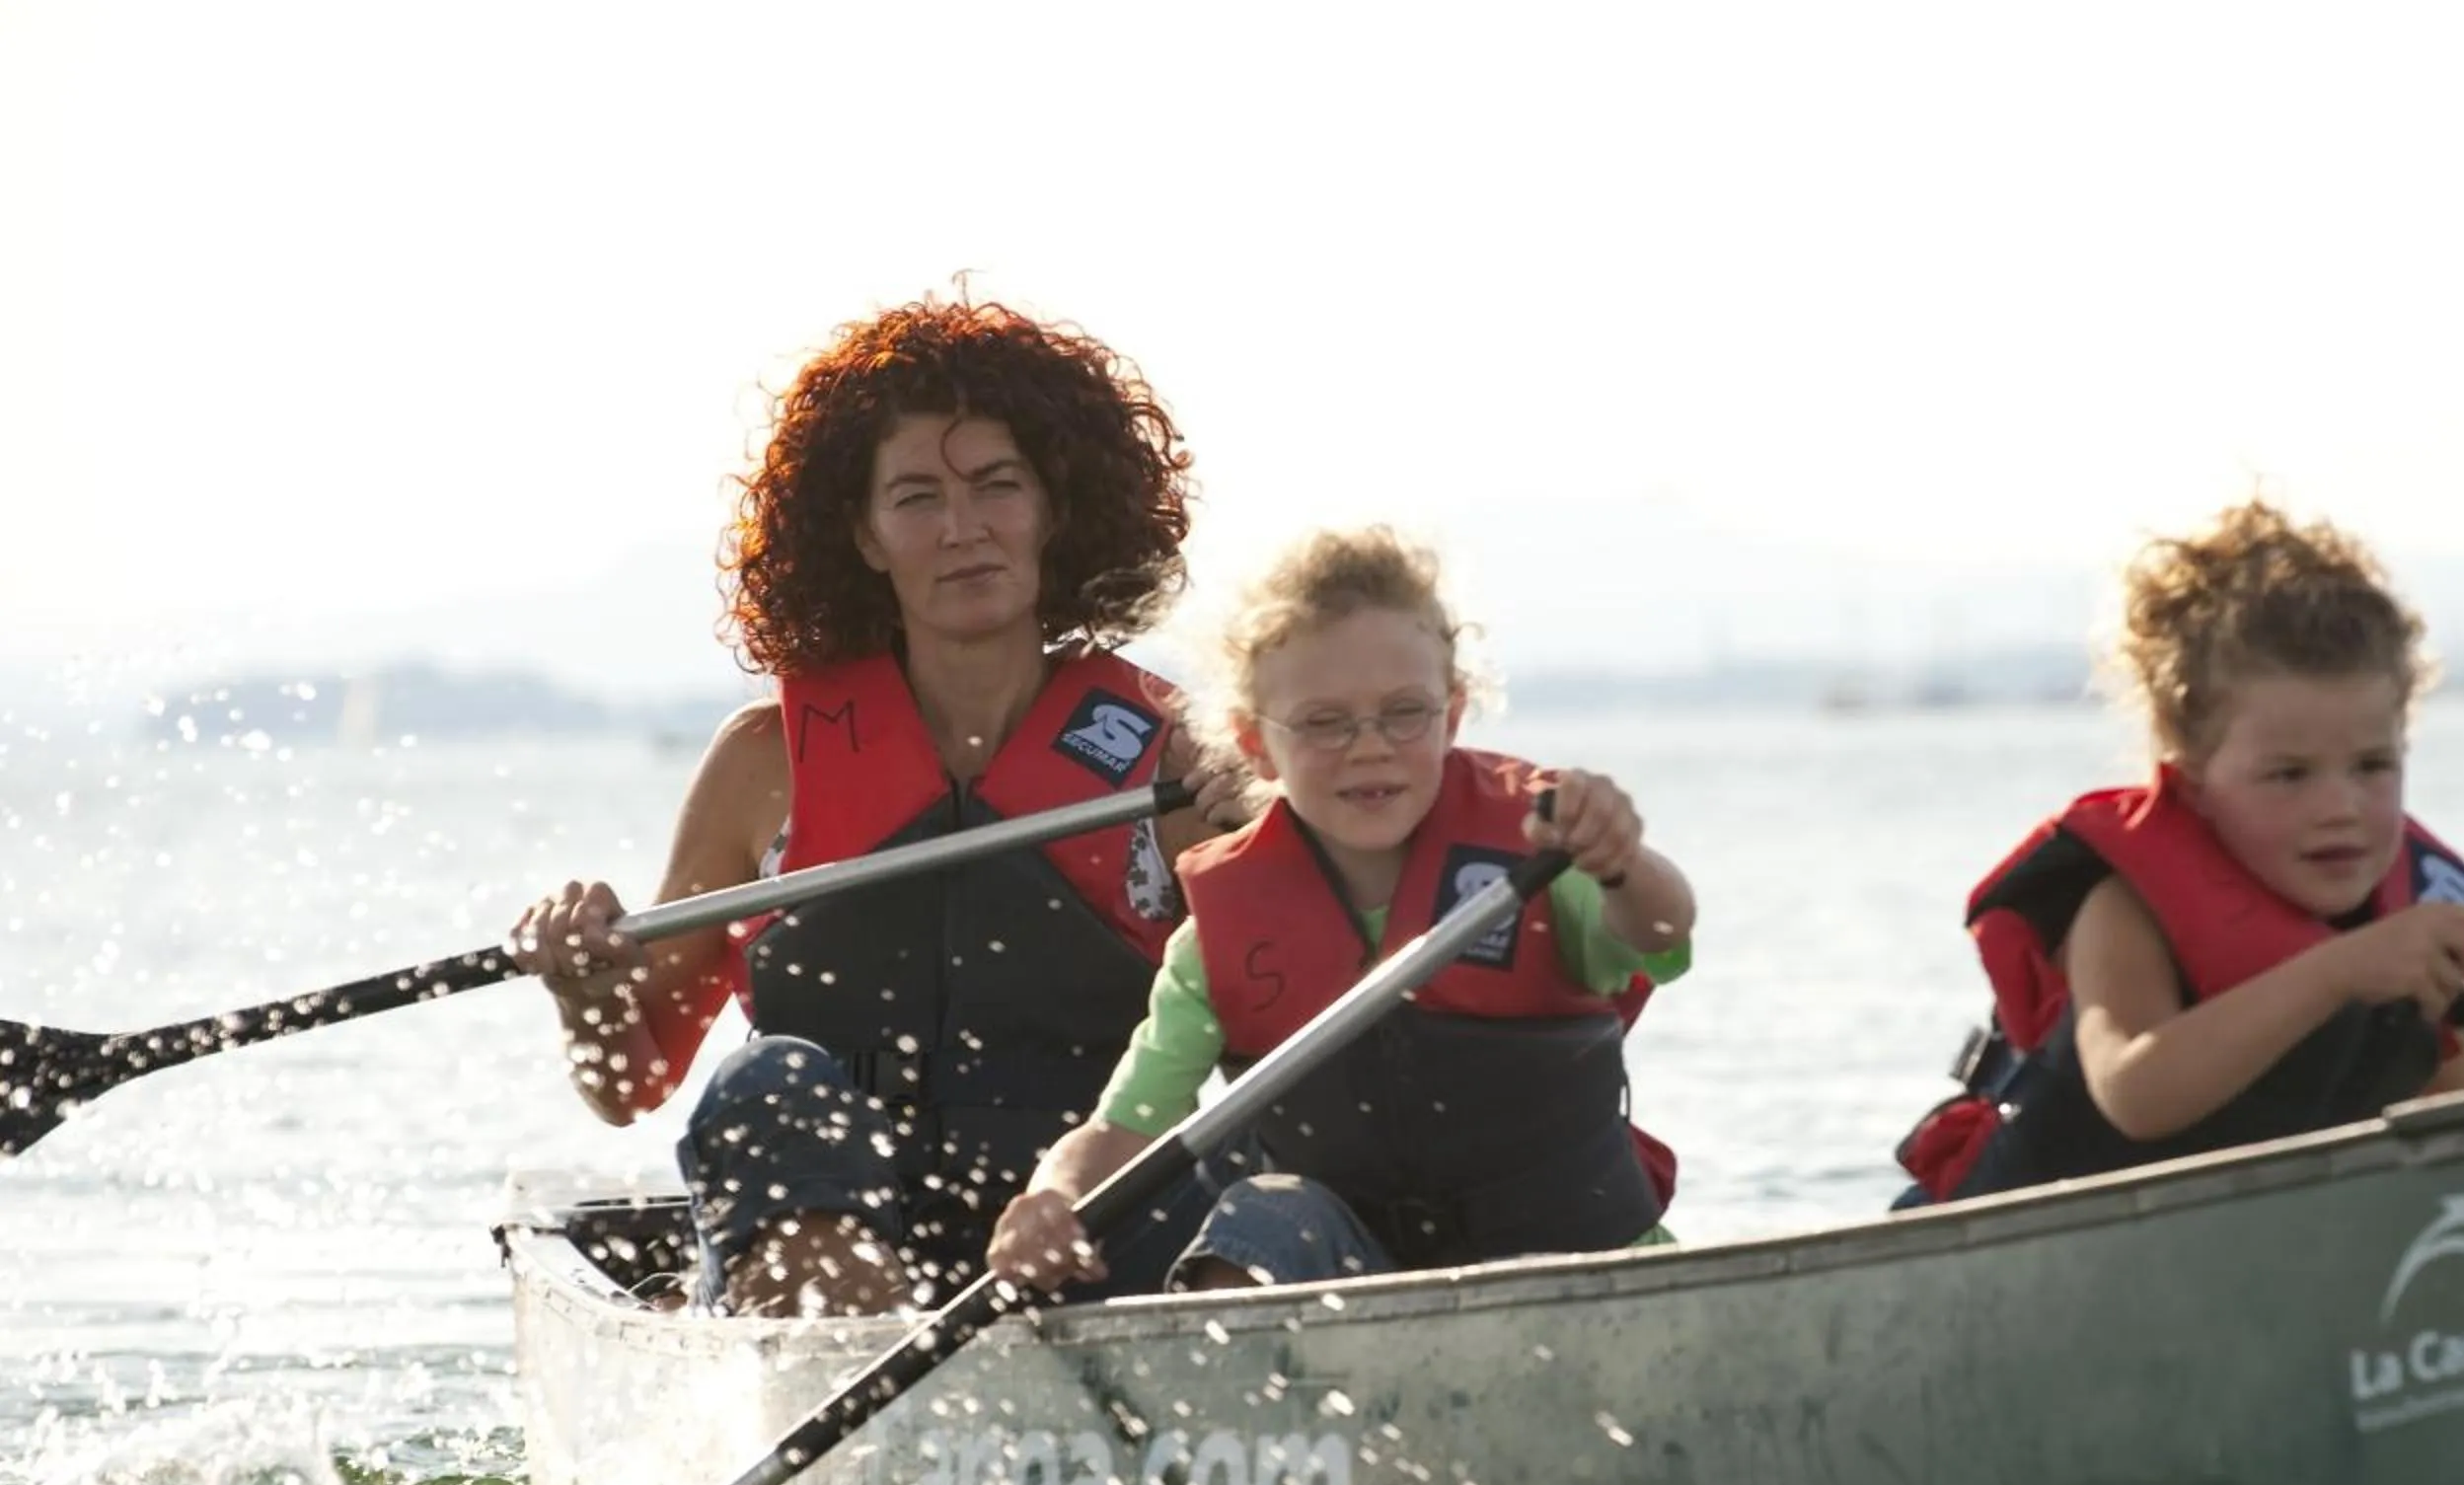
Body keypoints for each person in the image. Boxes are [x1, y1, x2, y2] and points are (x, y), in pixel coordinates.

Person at [509, 290, 1245, 1314]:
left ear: (1055, 510)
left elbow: (1304, 1024)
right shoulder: (764, 762)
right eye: (915, 499)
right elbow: (625, 1086)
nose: (963, 530)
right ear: (860, 534)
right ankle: (839, 1350)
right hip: (815, 1228)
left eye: (999, 486)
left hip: (1075, 1228)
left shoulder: (1182, 757)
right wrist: (582, 991)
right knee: (767, 1085)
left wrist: (1287, 830)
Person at [986, 526, 1694, 1295]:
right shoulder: (1214, 944)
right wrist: (1050, 1197)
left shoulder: (1544, 853)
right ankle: (1250, 1396)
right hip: (1364, 1289)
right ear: (1256, 745)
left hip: (1584, 1269)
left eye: (1404, 713)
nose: (1370, 747)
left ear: (1452, 717)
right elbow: (1122, 1129)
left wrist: (1623, 864)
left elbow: (1660, 930)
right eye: (1324, 723)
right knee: (1262, 1212)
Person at [1893, 498, 2464, 1207]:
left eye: (2372, 766)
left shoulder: (2393, 927)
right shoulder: (2127, 906)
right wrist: (2337, 972)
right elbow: (2134, 1091)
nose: (2341, 807)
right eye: (2288, 775)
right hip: (2002, 1246)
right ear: (2193, 782)